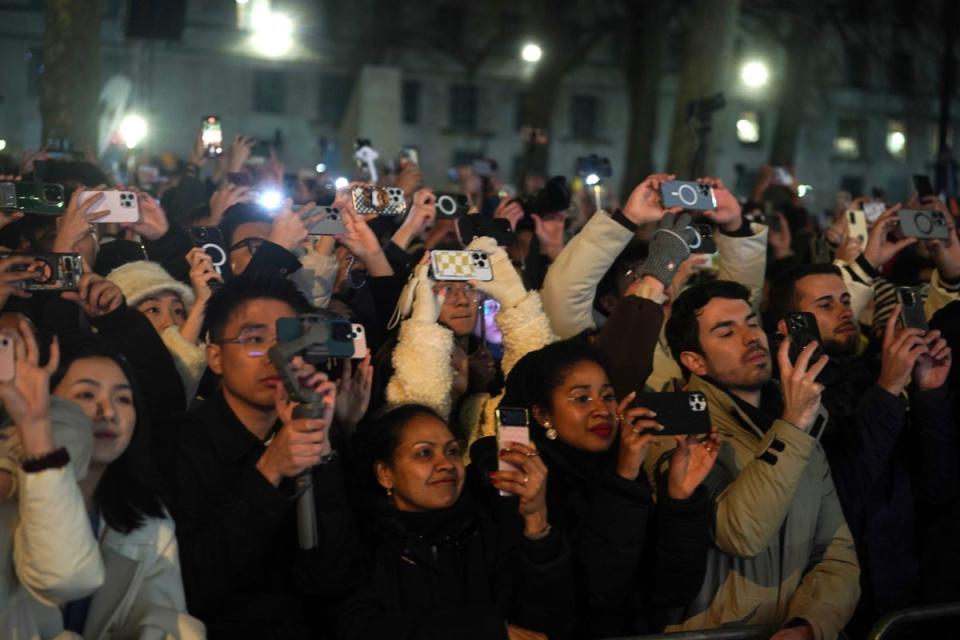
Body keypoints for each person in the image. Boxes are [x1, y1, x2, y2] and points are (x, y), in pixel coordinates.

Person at [651, 280, 860, 640]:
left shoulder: (802, 416)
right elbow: (740, 534)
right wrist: (794, 424)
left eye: (751, 323)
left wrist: (809, 624)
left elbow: (836, 550)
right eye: (725, 332)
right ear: (694, 360)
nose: (751, 338)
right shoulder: (675, 426)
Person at [160, 274, 363, 638]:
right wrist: (269, 469)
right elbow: (188, 583)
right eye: (254, 340)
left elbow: (336, 577)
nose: (274, 356)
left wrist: (323, 451)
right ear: (216, 357)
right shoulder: (178, 442)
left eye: (288, 339)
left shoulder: (321, 435)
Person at [767, 262, 955, 635]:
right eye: (825, 305)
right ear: (789, 327)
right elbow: (845, 493)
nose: (844, 312)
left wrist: (929, 394)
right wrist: (887, 390)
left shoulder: (868, 375)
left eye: (845, 300)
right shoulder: (780, 401)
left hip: (905, 595)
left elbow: (937, 488)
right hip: (837, 608)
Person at [493, 339, 719, 638]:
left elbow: (671, 592)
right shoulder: (515, 482)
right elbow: (593, 593)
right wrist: (624, 479)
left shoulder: (621, 470)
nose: (602, 409)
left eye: (608, 395)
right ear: (542, 415)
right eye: (581, 399)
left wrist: (679, 501)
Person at [342, 403, 573, 640]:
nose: (446, 464)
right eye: (424, 453)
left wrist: (536, 517)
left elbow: (545, 621)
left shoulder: (485, 529)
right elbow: (360, 628)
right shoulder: (365, 544)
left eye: (452, 451)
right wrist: (485, 630)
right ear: (385, 474)